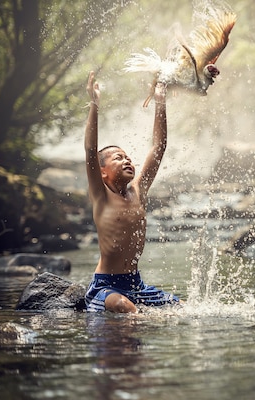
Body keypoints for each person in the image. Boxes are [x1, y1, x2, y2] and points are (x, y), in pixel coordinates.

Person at [83, 71, 179, 313]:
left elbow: (159, 146)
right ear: (102, 171)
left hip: (136, 284)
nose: (127, 161)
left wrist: (160, 100)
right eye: (118, 158)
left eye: (128, 157)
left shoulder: (138, 191)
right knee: (123, 307)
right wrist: (94, 105)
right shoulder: (101, 196)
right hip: (106, 286)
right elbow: (90, 149)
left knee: (181, 308)